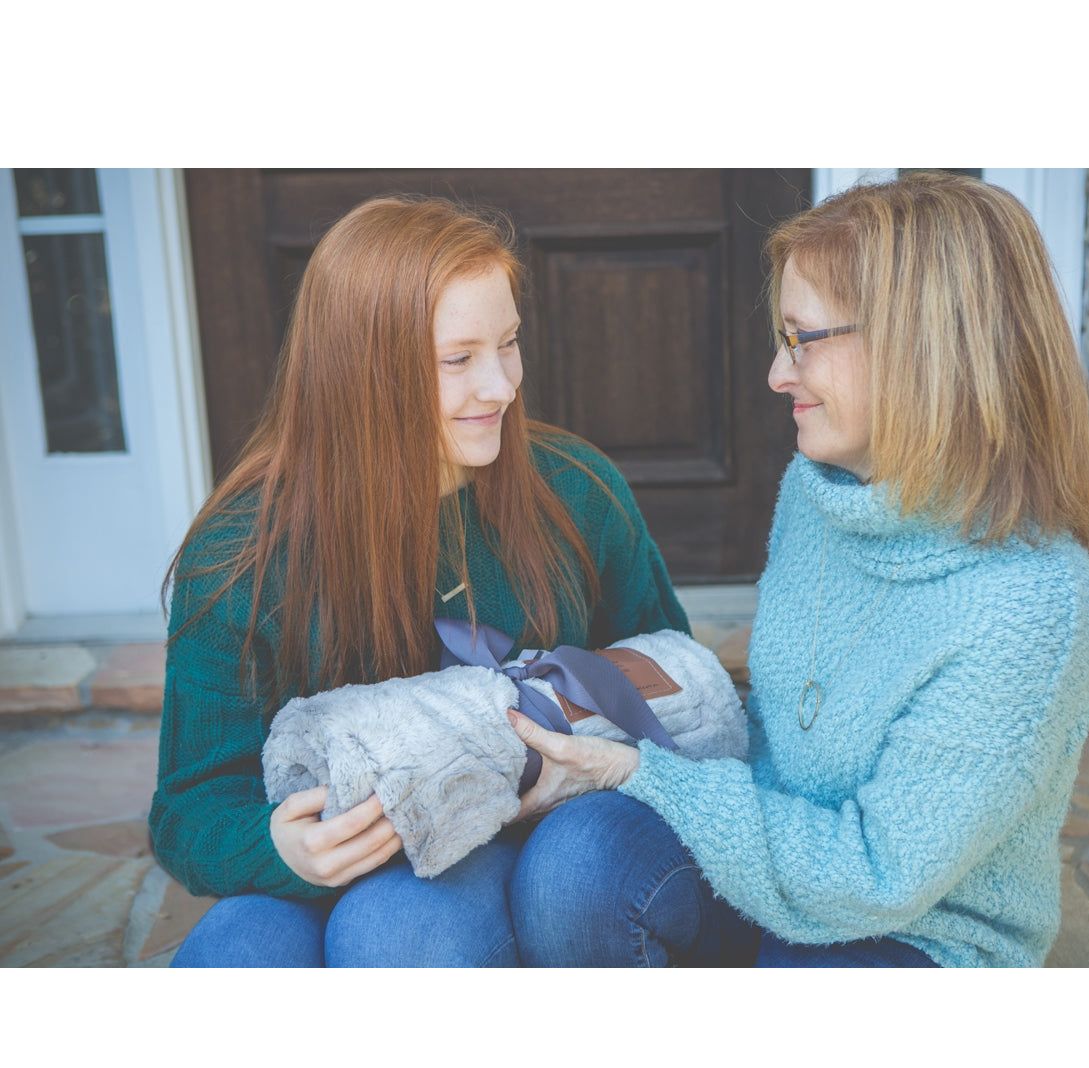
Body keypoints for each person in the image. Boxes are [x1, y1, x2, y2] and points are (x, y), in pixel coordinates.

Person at [504, 172, 1089, 968]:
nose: (776, 375)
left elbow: (875, 876)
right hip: (766, 851)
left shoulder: (1032, 605)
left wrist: (640, 771)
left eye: (802, 339)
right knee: (575, 864)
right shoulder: (824, 492)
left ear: (921, 345)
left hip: (912, 927)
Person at [155, 194, 754, 967]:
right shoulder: (240, 554)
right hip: (331, 862)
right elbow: (187, 808)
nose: (501, 386)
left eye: (508, 344)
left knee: (397, 931)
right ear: (360, 371)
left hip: (522, 839)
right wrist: (281, 850)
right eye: (458, 359)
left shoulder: (576, 490)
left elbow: (666, 687)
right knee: (235, 958)